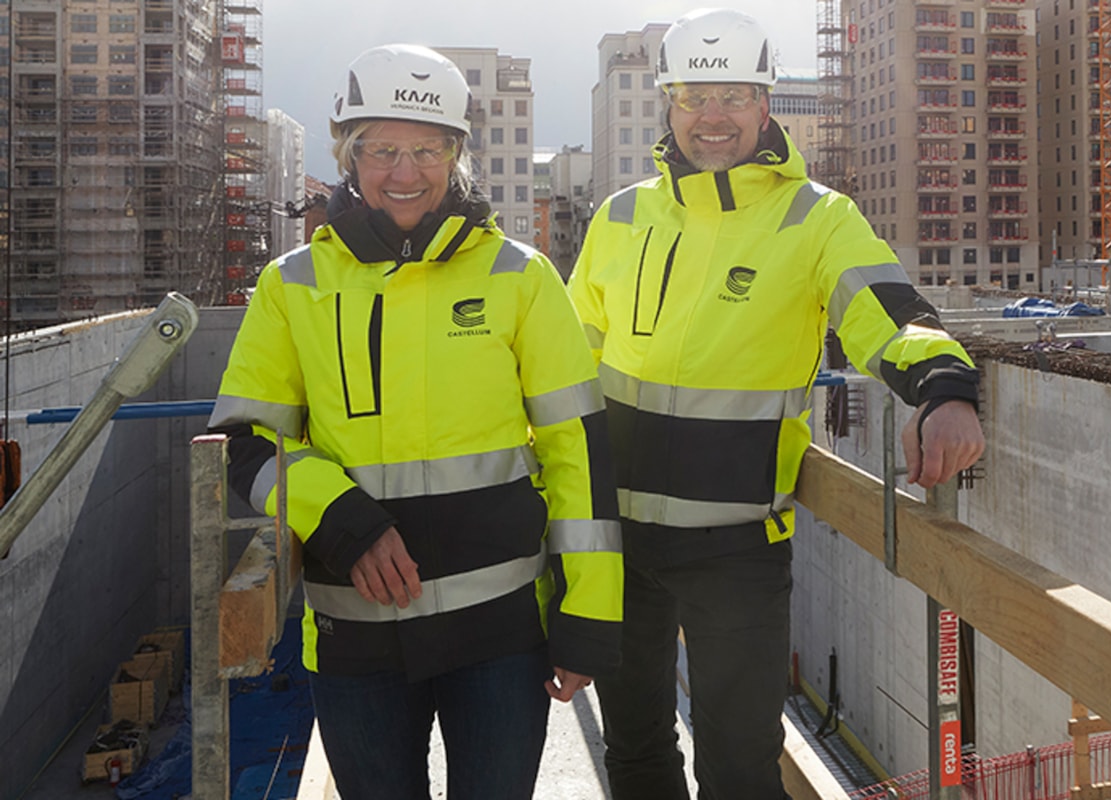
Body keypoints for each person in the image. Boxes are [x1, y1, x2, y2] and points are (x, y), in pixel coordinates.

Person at [568, 8, 985, 799]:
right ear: (668, 104)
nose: (712, 116)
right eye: (693, 97)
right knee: (637, 753)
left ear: (764, 105)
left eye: (732, 95)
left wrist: (944, 387)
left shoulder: (815, 218)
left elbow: (888, 311)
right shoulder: (620, 217)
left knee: (740, 768)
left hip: (736, 548)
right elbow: (562, 372)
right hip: (615, 536)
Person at [208, 43, 622, 800]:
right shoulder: (292, 284)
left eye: (427, 150)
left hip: (498, 635)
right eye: (382, 150)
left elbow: (578, 452)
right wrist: (340, 519)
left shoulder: (521, 277)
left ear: (457, 155)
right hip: (355, 631)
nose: (405, 172)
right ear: (348, 155)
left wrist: (588, 614)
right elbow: (242, 443)